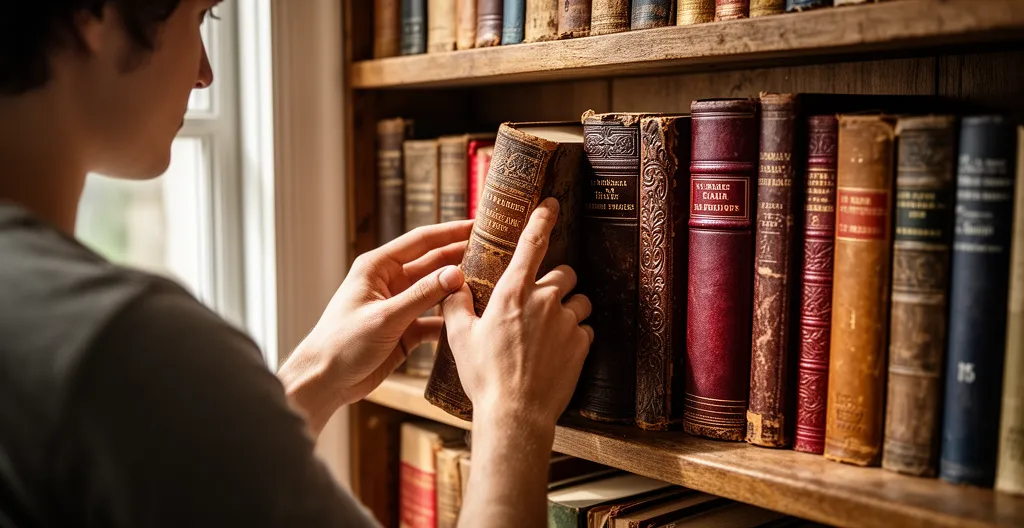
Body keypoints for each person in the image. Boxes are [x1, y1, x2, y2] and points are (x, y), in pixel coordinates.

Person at [0, 1, 593, 526]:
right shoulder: (123, 342)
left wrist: (314, 376)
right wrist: (513, 413)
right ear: (95, 16)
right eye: (199, 17)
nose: (206, 72)